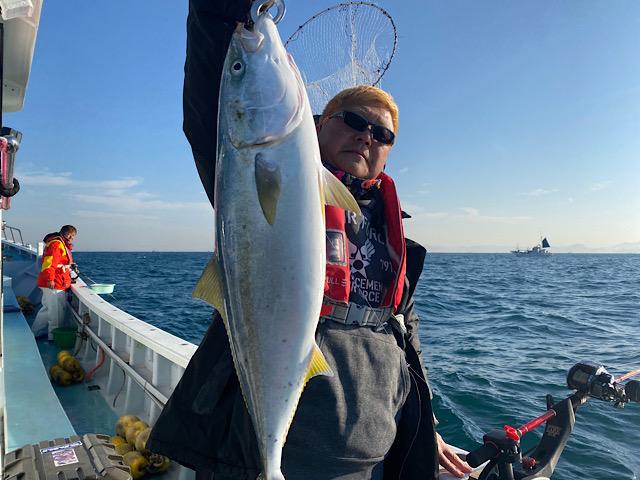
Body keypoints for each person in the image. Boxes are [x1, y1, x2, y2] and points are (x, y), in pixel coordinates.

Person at [148, 2, 472, 479]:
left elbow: (404, 337)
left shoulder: (393, 237)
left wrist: (425, 428)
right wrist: (225, 13)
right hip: (260, 451)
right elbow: (209, 108)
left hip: (367, 459)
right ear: (318, 123)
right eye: (353, 121)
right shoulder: (257, 168)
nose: (366, 136)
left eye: (382, 133)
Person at [31, 225, 77, 340]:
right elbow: (49, 264)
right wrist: (50, 279)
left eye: (73, 236)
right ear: (65, 234)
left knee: (47, 310)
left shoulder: (58, 243)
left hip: (53, 281)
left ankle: (35, 333)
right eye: (71, 235)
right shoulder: (56, 244)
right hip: (54, 282)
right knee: (56, 313)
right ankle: (53, 337)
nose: (72, 238)